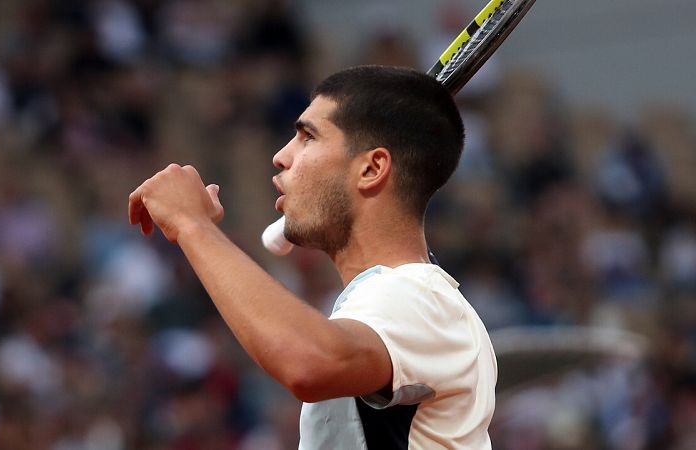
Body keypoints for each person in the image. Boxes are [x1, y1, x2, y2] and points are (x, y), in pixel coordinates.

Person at [128, 65, 497, 449]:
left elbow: (308, 363)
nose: (281, 156)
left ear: (371, 168)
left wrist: (193, 226)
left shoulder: (418, 297)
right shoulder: (396, 300)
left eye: (307, 137)